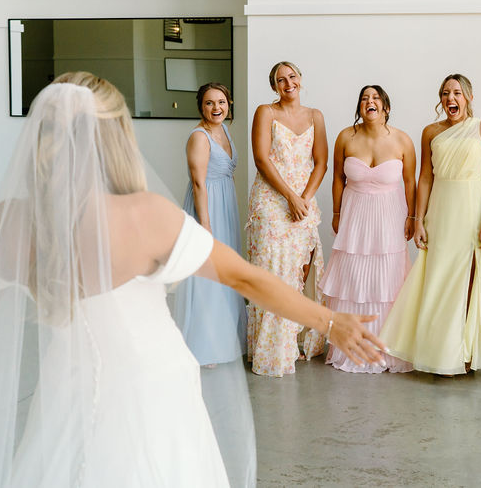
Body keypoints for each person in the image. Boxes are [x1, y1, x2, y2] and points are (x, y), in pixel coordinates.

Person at [0, 72, 384, 487]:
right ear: (117, 136)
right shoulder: (147, 216)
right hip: (155, 391)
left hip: (68, 390)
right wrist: (330, 321)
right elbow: (247, 280)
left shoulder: (7, 221)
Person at [380, 74, 481, 375]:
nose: (451, 99)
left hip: (472, 210)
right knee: (436, 281)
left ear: (469, 97)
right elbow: (425, 177)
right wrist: (418, 221)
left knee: (469, 281)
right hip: (441, 211)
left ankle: (465, 352)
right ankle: (436, 351)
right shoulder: (430, 131)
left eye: (457, 93)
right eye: (445, 93)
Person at [321, 85, 416, 373]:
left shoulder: (402, 140)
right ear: (359, 107)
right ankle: (351, 346)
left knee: (387, 282)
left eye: (375, 98)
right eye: (364, 98)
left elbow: (411, 182)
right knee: (352, 281)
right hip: (355, 218)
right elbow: (337, 178)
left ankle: (386, 347)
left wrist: (412, 217)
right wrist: (336, 212)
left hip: (389, 218)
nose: (369, 102)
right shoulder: (345, 137)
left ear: (386, 107)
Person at [245, 61, 329, 376]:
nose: (288, 82)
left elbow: (321, 161)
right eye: (280, 79)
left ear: (300, 80)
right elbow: (261, 158)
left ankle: (293, 344)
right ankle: (268, 351)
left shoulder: (315, 116)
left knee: (299, 270)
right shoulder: (265, 112)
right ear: (274, 86)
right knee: (272, 270)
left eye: (292, 76)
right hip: (270, 201)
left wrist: (304, 199)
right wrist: (289, 197)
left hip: (304, 200)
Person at [174, 83, 247, 367]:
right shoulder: (199, 137)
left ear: (228, 104)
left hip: (225, 203)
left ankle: (223, 340)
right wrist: (205, 226)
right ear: (200, 106)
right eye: (209, 103)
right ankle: (202, 347)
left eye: (221, 102)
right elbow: (198, 183)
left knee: (225, 274)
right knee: (207, 275)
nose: (216, 108)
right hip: (207, 208)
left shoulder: (224, 130)